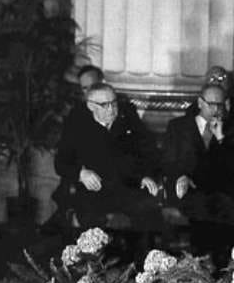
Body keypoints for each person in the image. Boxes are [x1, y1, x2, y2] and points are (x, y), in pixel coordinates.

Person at [54, 83, 162, 259]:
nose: (111, 109)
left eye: (114, 103)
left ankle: (143, 269)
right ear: (90, 106)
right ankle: (94, 273)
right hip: (93, 191)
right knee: (91, 222)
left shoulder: (128, 118)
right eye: (105, 105)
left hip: (127, 187)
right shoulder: (76, 124)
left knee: (148, 211)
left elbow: (149, 152)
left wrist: (146, 176)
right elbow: (61, 163)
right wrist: (81, 174)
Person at [163, 84, 234, 257]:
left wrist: (221, 138)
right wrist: (180, 176)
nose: (215, 109)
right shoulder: (178, 127)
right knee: (201, 208)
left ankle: (218, 261)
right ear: (200, 103)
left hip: (219, 190)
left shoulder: (233, 130)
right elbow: (168, 162)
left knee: (227, 208)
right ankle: (201, 259)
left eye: (219, 105)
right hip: (186, 189)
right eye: (210, 104)